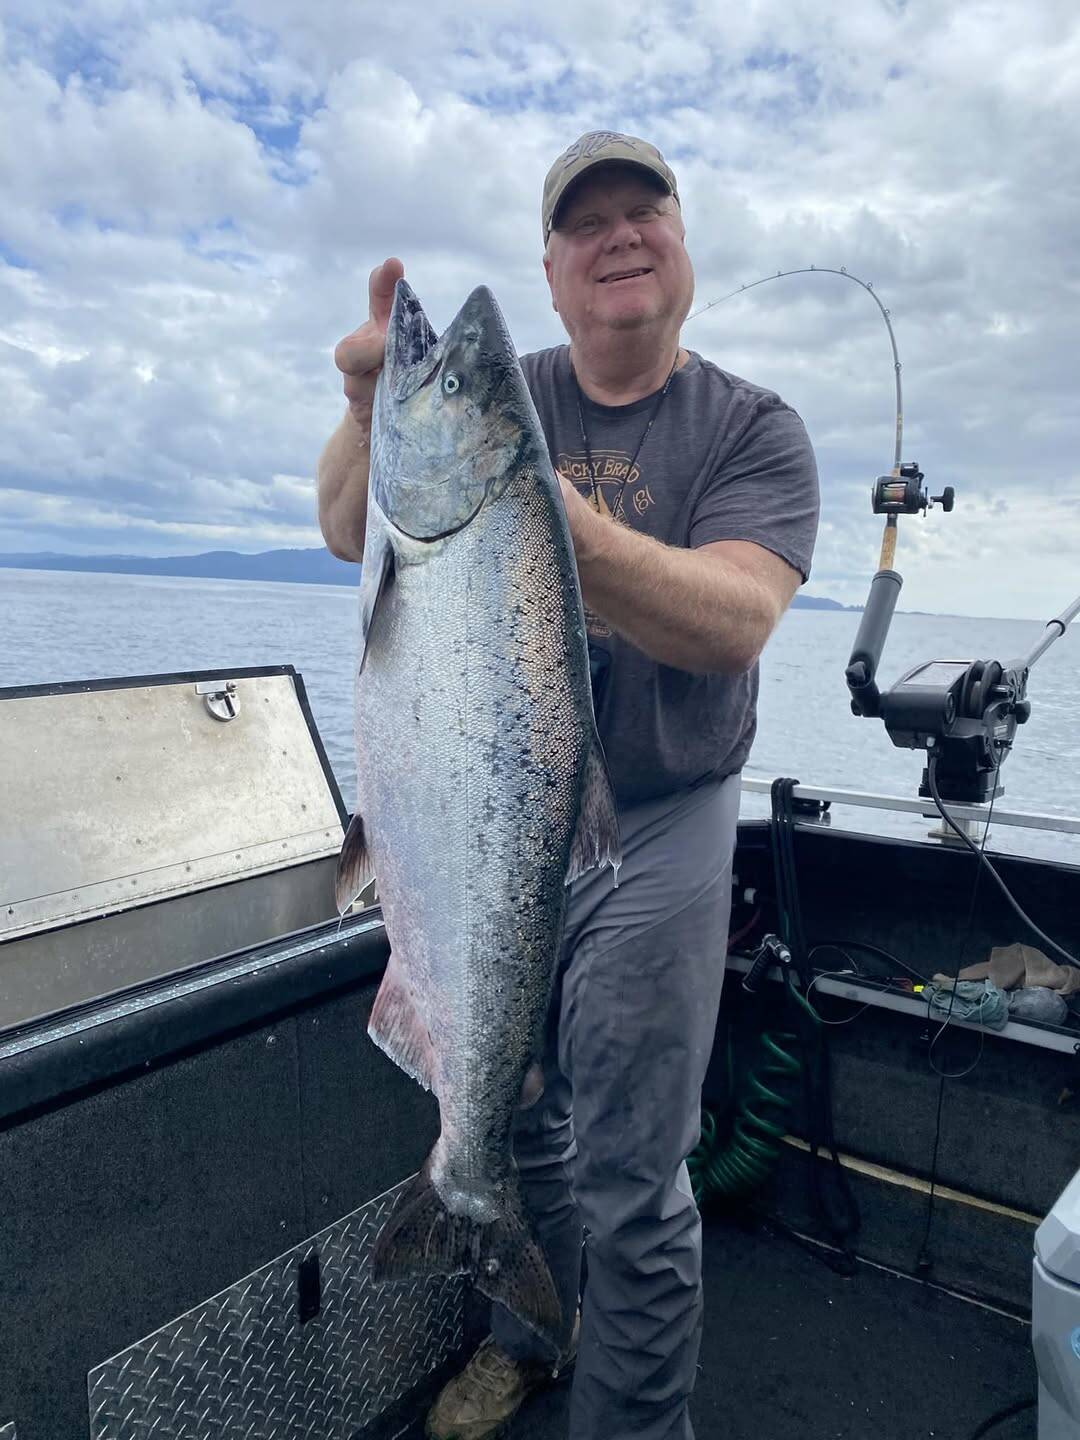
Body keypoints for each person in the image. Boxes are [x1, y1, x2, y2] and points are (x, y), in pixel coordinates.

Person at [317, 130, 820, 1440]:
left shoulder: (754, 429)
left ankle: (633, 1426)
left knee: (633, 1174)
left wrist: (528, 510)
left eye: (640, 209)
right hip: (494, 813)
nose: (617, 236)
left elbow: (732, 621)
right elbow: (342, 528)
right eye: (583, 223)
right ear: (551, 272)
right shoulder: (509, 393)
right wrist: (374, 413)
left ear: (682, 244)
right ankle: (530, 1333)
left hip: (660, 817)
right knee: (510, 1115)